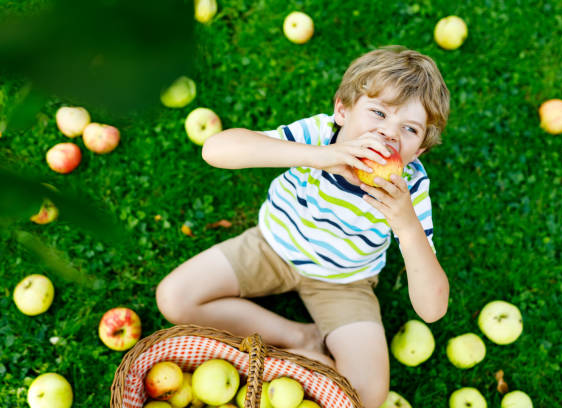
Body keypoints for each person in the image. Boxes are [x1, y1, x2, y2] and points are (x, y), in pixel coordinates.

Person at [156, 45, 450, 408]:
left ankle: (299, 352)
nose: (389, 134)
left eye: (409, 129)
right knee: (174, 297)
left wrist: (406, 226)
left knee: (369, 397)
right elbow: (215, 150)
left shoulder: (410, 189)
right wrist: (320, 158)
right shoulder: (319, 135)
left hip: (346, 282)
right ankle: (301, 337)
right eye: (377, 112)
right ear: (341, 110)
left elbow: (432, 309)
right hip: (272, 246)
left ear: (418, 151)